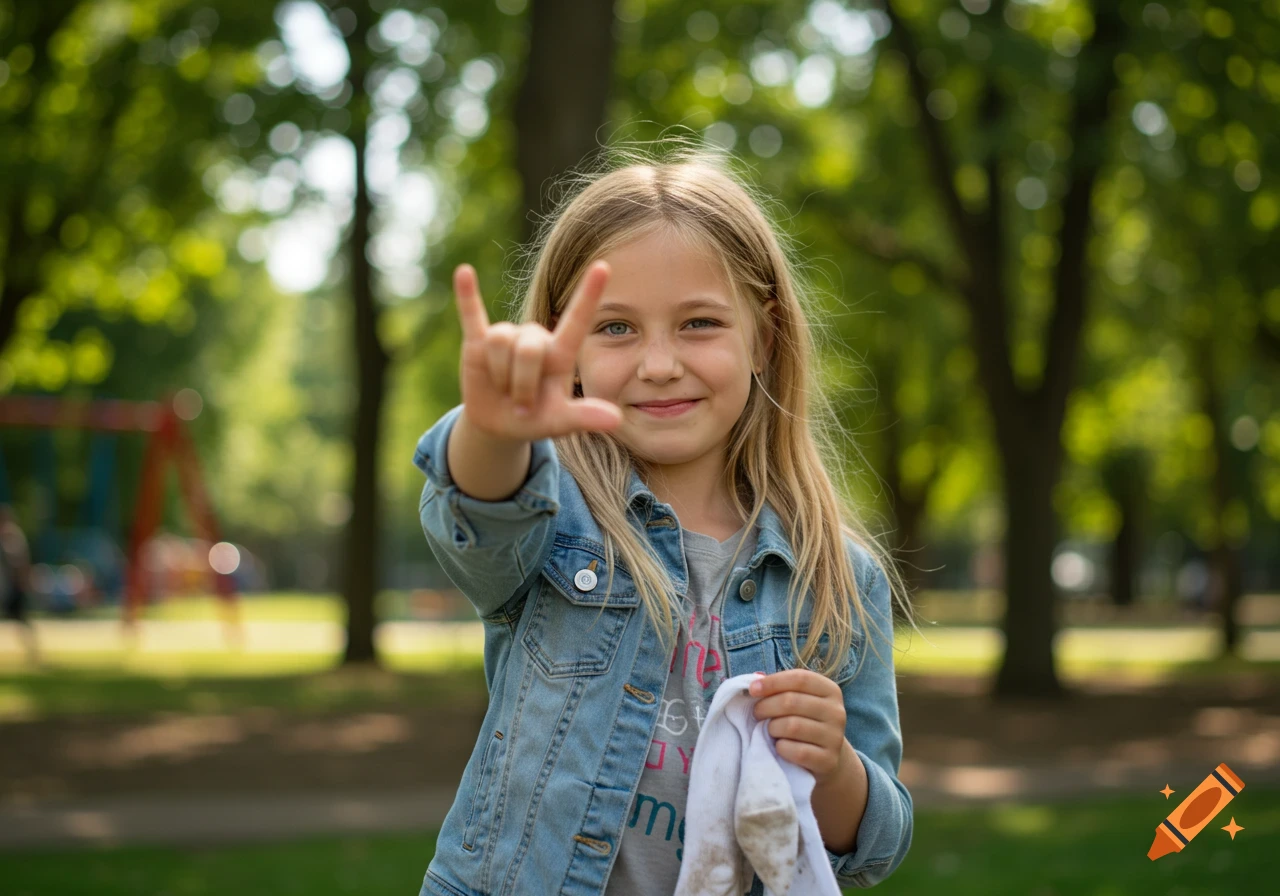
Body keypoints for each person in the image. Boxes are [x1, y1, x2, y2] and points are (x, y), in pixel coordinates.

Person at [412, 146, 914, 896]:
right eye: (615, 329)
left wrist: (834, 765)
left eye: (699, 324)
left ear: (764, 341)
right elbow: (480, 513)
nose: (658, 364)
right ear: (567, 348)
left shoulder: (836, 577)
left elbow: (875, 842)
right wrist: (493, 428)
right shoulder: (555, 521)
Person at [0, 504, 40, 666]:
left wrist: (23, 583)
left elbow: (20, 563)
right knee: (22, 621)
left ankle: (34, 654)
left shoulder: (12, 536)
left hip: (14, 588)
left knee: (22, 620)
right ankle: (35, 654)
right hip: (9, 587)